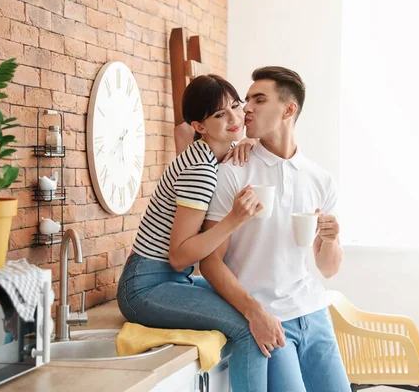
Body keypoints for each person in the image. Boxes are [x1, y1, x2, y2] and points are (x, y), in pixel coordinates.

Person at [201, 66, 351, 391]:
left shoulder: (320, 179)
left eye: (259, 99)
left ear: (288, 109)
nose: (247, 108)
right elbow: (210, 261)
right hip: (267, 318)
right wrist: (255, 313)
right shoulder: (232, 171)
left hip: (314, 313)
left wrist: (331, 239)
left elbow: (328, 268)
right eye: (247, 100)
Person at [116, 74, 268, 391]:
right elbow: (179, 255)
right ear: (200, 126)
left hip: (164, 279)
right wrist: (236, 218)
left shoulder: (210, 155)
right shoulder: (200, 169)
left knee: (251, 296)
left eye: (236, 107)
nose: (234, 118)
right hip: (145, 287)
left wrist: (248, 142)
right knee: (247, 325)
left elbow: (197, 134)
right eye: (219, 115)